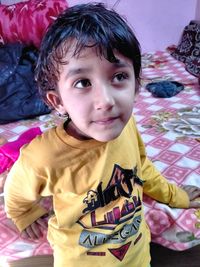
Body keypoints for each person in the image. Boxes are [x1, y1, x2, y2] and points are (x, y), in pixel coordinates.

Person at [4, 3, 200, 267]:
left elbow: (140, 166)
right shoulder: (42, 157)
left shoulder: (126, 126)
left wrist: (175, 195)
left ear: (135, 85)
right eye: (83, 83)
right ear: (57, 101)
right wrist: (24, 214)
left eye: (119, 76)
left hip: (137, 256)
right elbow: (16, 192)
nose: (106, 100)